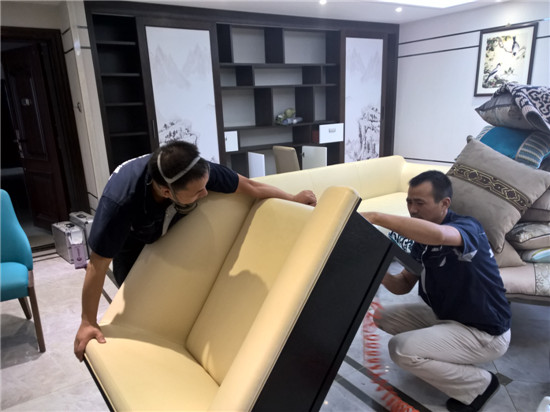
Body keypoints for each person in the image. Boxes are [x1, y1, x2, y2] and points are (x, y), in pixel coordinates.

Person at [74, 141, 316, 361]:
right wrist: (87, 322)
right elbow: (97, 264)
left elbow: (250, 186)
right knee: (137, 304)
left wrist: (292, 198)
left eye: (205, 186)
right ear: (167, 192)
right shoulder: (120, 203)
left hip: (168, 215)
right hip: (132, 236)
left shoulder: (194, 171)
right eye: (198, 192)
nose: (206, 193)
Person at [360, 170, 511, 412]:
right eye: (409, 202)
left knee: (400, 349)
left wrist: (376, 216)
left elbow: (440, 235)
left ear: (445, 204)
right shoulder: (421, 243)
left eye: (420, 203)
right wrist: (377, 271)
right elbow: (403, 284)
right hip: (447, 316)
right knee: (381, 316)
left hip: (485, 332)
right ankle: (438, 352)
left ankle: (480, 384)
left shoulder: (467, 227)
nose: (412, 210)